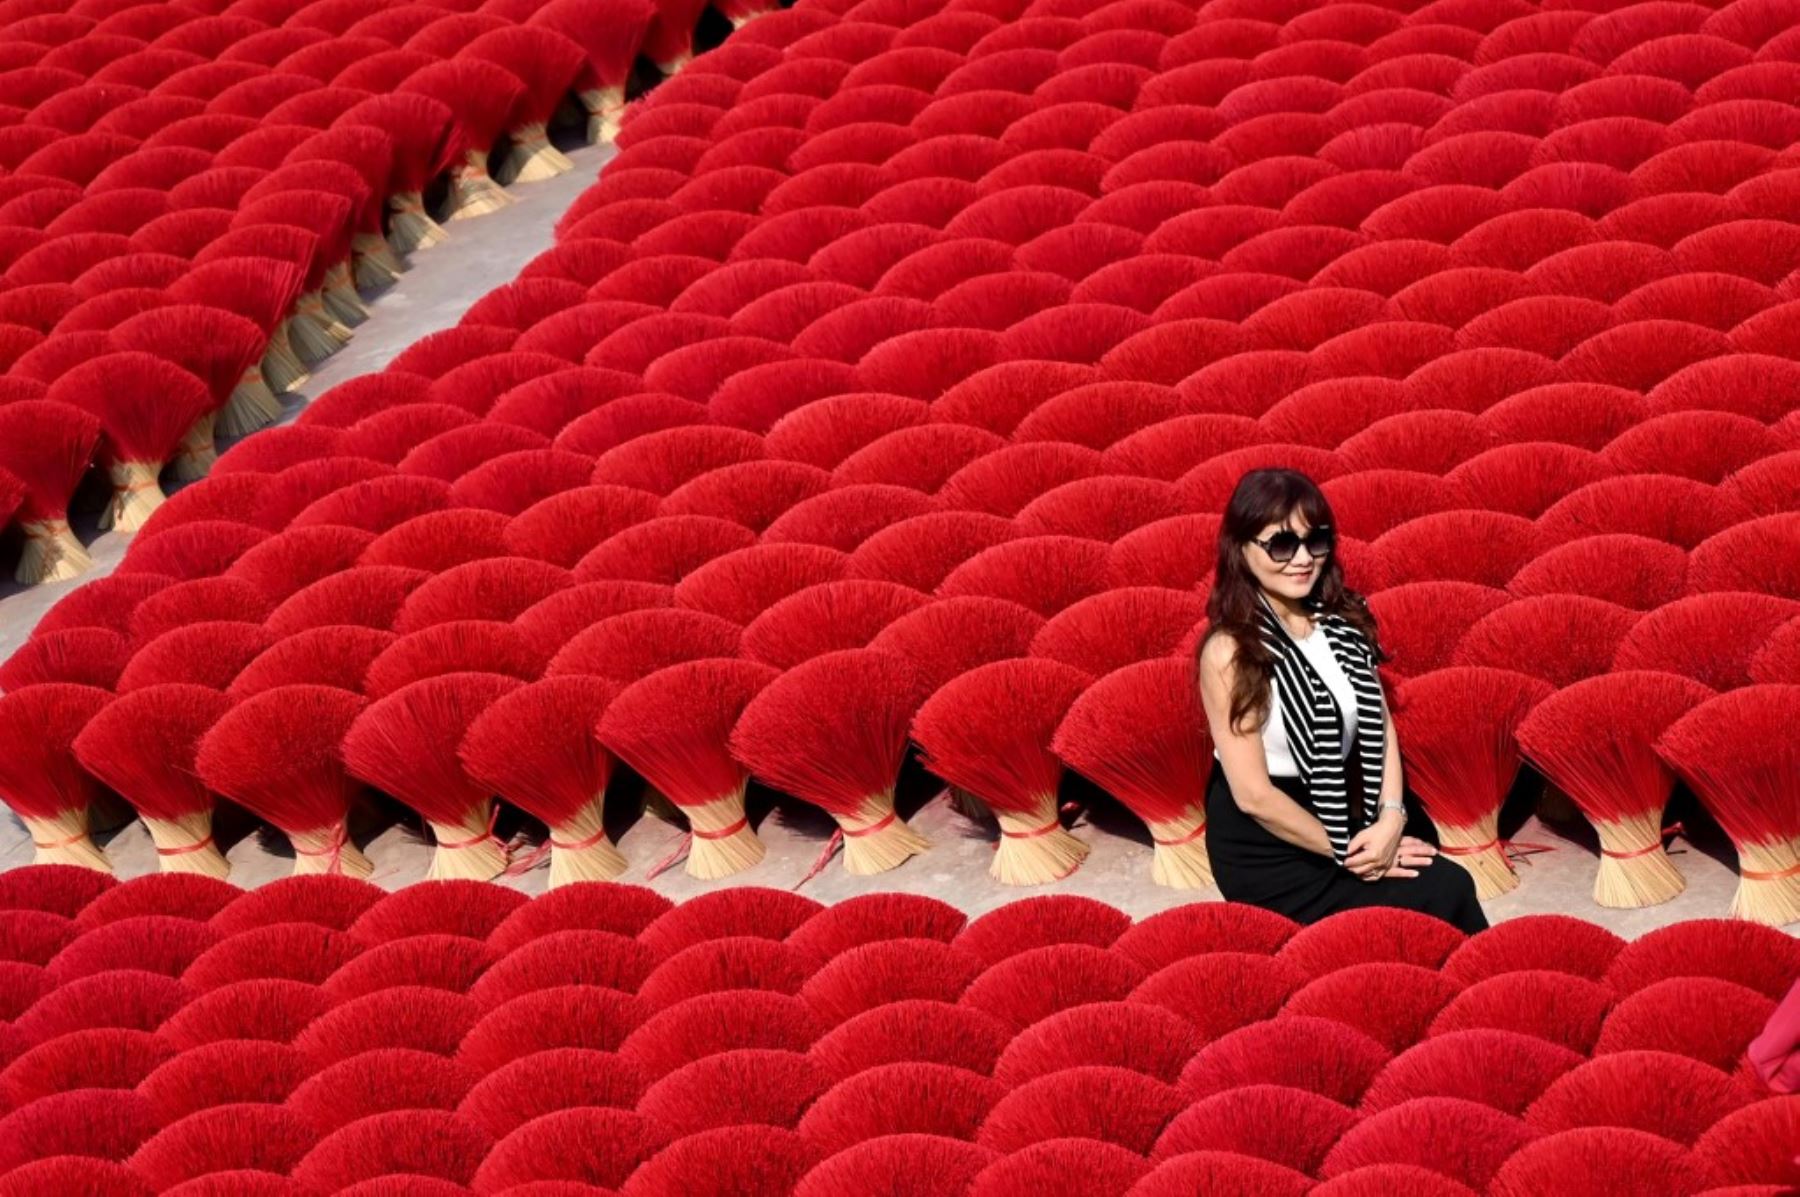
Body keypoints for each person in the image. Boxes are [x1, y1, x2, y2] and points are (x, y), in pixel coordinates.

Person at [1196, 467, 1487, 933]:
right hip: (1271, 844)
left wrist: (1393, 816)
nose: (1302, 559)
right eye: (1281, 544)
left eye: (1316, 541)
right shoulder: (1230, 651)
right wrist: (1351, 849)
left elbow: (1382, 723)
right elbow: (1253, 796)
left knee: (1432, 861)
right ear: (1242, 550)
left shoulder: (1342, 622)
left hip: (1340, 805)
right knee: (1441, 889)